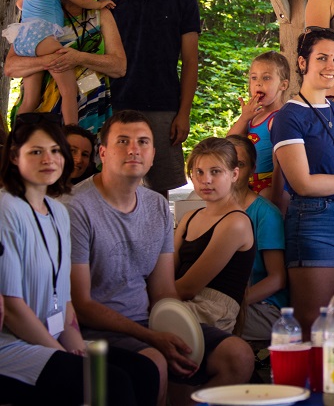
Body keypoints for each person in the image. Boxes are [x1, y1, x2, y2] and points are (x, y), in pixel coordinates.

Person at [69, 110, 254, 406]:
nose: (134, 149)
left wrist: (173, 329)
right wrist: (154, 338)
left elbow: (164, 291)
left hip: (147, 320)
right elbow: (81, 304)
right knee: (154, 360)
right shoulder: (76, 207)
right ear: (102, 152)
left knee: (237, 354)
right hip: (94, 327)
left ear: (153, 154)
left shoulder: (156, 205)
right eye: (123, 141)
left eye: (143, 142)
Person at [0, 117, 158, 406]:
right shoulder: (6, 209)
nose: (49, 159)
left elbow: (65, 298)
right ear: (14, 157)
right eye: (36, 151)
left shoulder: (58, 211)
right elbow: (11, 308)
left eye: (55, 151)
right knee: (111, 384)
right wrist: (60, 352)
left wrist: (73, 344)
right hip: (14, 345)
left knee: (143, 370)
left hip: (55, 336)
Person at [270, 30, 334, 337]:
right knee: (315, 324)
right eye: (322, 58)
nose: (331, 65)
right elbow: (302, 183)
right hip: (315, 219)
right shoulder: (289, 115)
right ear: (302, 62)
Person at [100, 0, 200, 195]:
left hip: (165, 108)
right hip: (117, 103)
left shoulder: (184, 1)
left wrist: (184, 113)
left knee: (159, 192)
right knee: (115, 184)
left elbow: (191, 62)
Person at [5, 0, 126, 135]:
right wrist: (50, 60)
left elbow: (119, 67)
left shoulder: (100, 14)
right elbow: (11, 67)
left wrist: (78, 57)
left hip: (90, 116)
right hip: (40, 121)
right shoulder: (42, 11)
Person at [174, 139, 255, 334]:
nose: (206, 180)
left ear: (234, 174)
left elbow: (187, 288)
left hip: (211, 312)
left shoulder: (236, 222)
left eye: (215, 172)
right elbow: (167, 270)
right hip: (180, 303)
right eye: (199, 172)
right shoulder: (189, 218)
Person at [224, 135, 288, 346]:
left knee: (197, 323)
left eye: (240, 165)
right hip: (226, 302)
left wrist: (230, 303)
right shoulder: (211, 211)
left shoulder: (265, 213)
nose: (232, 171)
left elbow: (277, 278)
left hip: (263, 307)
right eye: (226, 163)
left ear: (252, 169)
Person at [227, 51, 290, 200]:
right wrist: (244, 118)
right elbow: (229, 144)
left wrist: (276, 198)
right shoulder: (251, 116)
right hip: (247, 182)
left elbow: (280, 166)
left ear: (283, 84)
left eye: (266, 78)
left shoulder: (279, 118)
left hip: (269, 185)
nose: (258, 83)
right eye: (253, 78)